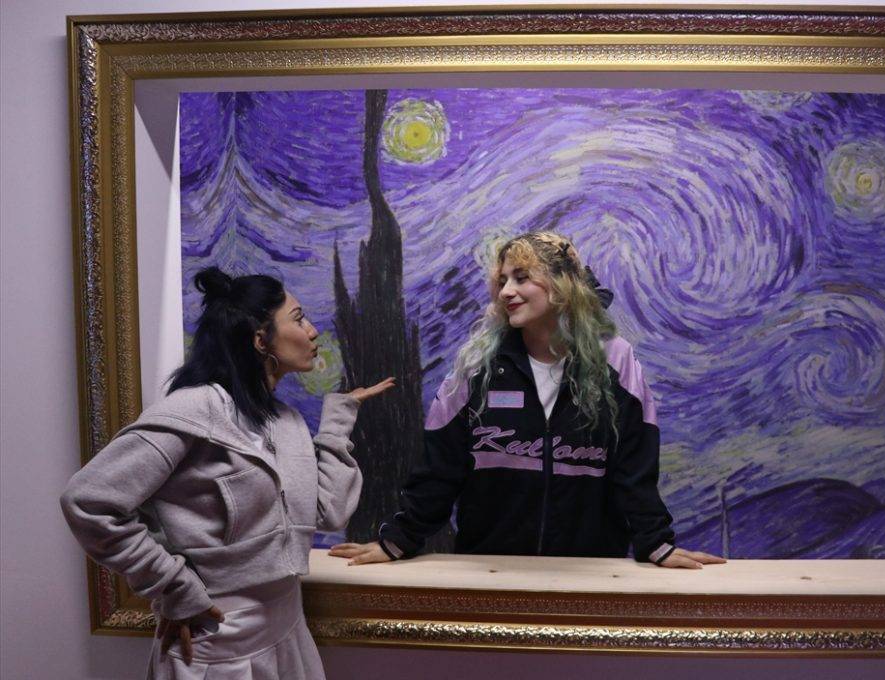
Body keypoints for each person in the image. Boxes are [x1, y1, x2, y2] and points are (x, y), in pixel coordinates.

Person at [61, 267, 393, 679]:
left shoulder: (285, 421)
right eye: (298, 318)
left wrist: (338, 422)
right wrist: (174, 586)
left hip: (288, 632)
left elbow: (330, 511)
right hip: (217, 643)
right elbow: (88, 501)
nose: (313, 331)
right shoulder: (193, 411)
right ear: (260, 340)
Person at [329, 231, 723, 569]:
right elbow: (440, 469)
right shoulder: (478, 364)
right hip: (490, 572)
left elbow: (634, 467)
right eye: (502, 281)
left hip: (590, 574)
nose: (506, 292)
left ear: (563, 285)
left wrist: (656, 544)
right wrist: (398, 540)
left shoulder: (614, 359)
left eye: (521, 278)